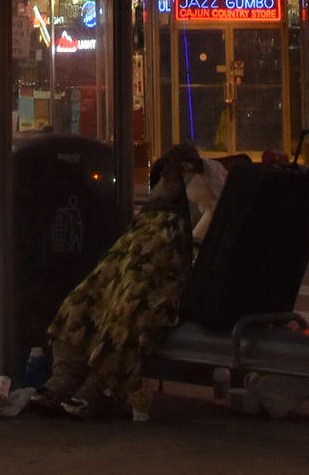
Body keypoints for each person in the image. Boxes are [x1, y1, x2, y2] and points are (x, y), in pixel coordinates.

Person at [23, 142, 214, 423]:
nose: (163, 181)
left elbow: (177, 261)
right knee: (78, 306)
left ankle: (100, 389)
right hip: (123, 276)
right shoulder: (154, 211)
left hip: (154, 285)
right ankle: (63, 381)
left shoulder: (191, 215)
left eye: (169, 177)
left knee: (126, 316)